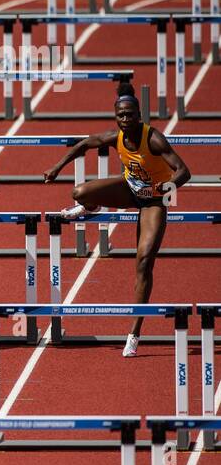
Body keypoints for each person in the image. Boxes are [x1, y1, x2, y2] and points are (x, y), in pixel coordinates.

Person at [43, 81, 192, 357]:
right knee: (80, 192)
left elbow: (184, 172)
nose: (125, 119)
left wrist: (161, 189)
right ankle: (91, 207)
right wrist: (57, 167)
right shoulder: (116, 136)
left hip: (154, 201)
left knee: (144, 261)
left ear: (139, 115)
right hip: (129, 191)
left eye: (130, 115)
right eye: (120, 115)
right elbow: (86, 144)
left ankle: (134, 334)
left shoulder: (154, 139)